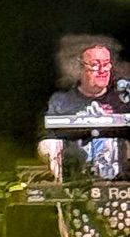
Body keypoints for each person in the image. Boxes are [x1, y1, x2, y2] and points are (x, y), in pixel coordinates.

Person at [40, 34, 130, 180]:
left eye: (106, 63)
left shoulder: (123, 100)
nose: (103, 70)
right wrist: (50, 151)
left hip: (120, 184)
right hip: (75, 183)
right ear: (80, 68)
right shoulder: (60, 102)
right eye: (95, 64)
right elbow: (46, 139)